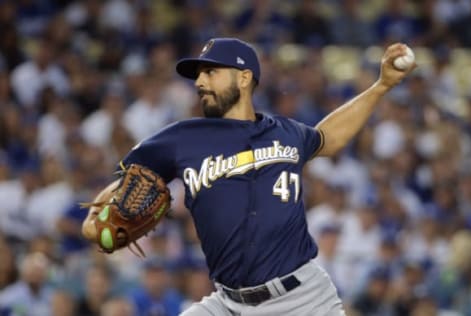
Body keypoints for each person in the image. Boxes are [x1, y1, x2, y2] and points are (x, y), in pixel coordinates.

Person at [82, 37, 415, 315]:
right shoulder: (180, 138)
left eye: (210, 72)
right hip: (228, 303)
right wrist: (96, 221)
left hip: (304, 300)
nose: (199, 82)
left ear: (244, 78)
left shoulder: (285, 132)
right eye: (198, 75)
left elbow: (327, 139)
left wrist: (381, 85)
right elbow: (122, 185)